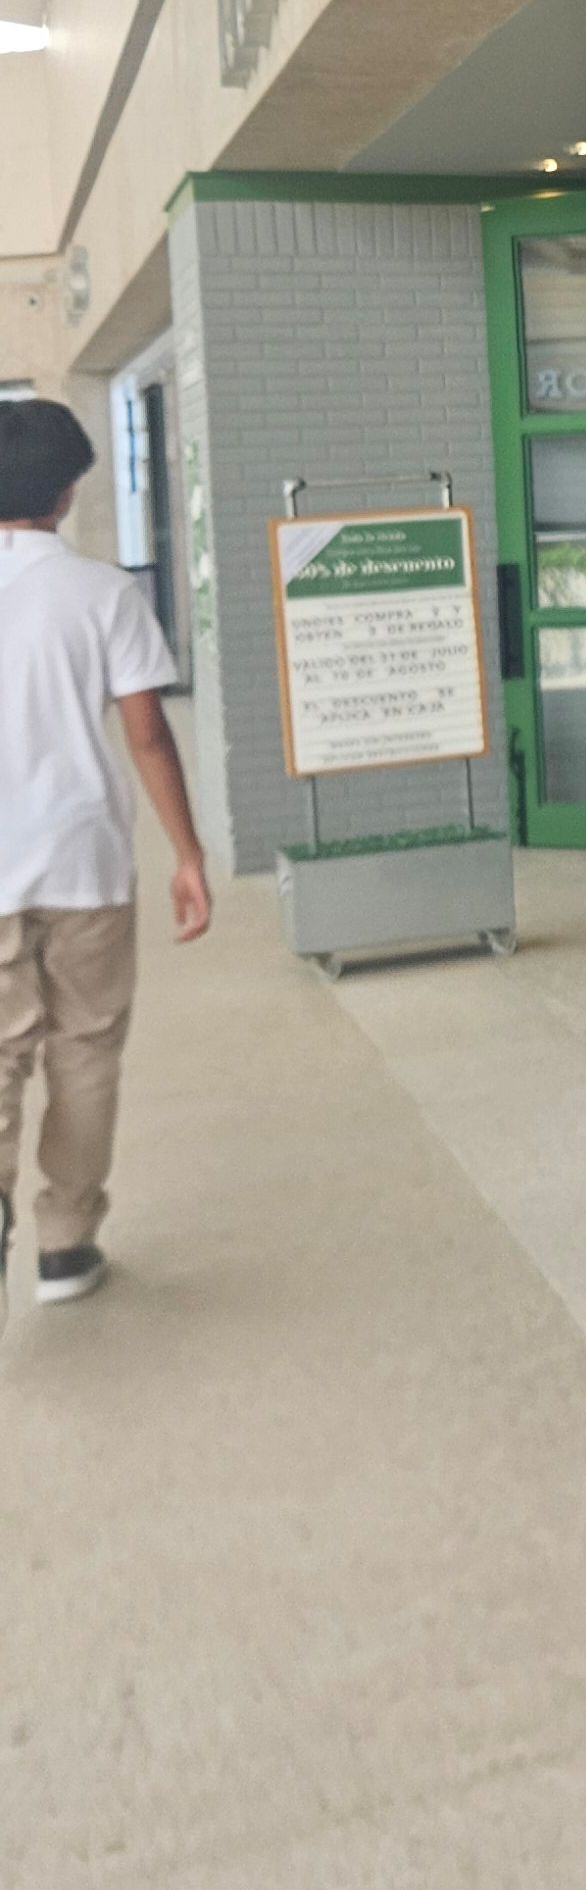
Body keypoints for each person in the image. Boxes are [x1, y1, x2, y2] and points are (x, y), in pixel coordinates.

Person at [0, 396, 212, 1320]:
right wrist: (187, 854)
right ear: (68, 491)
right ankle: (66, 1243)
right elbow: (148, 736)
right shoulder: (103, 593)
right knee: (84, 1048)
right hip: (83, 858)